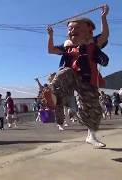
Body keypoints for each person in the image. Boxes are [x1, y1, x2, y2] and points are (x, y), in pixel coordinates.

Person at [46, 4, 109, 148]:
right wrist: (50, 36)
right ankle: (54, 96)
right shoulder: (67, 46)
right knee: (64, 73)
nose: (72, 30)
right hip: (71, 76)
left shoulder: (92, 43)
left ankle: (91, 136)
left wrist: (103, 18)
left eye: (76, 28)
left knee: (93, 108)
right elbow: (50, 50)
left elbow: (105, 35)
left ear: (89, 30)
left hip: (88, 79)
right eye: (69, 29)